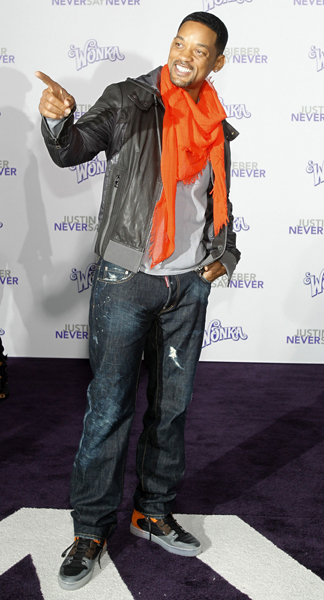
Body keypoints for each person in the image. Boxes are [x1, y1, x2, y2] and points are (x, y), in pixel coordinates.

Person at [36, 11, 240, 591]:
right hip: (126, 282)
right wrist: (58, 121)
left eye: (199, 51)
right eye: (180, 43)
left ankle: (153, 510)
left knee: (170, 410)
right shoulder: (129, 100)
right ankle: (91, 529)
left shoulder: (217, 123)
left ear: (216, 62)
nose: (185, 55)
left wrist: (224, 256)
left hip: (187, 287)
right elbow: (73, 149)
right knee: (108, 410)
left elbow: (217, 200)